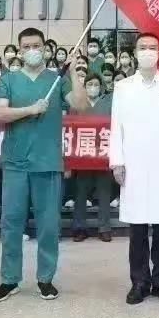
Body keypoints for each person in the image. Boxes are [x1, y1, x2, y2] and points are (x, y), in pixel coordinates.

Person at [0, 27, 88, 302]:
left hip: (47, 162)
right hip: (16, 162)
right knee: (11, 223)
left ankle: (45, 279)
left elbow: (80, 105)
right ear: (19, 51)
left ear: (45, 49)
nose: (32, 50)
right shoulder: (9, 80)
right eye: (26, 46)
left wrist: (73, 74)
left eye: (36, 46)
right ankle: (9, 279)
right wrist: (30, 110)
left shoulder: (56, 80)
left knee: (48, 225)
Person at [110, 32, 159, 304]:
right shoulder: (123, 87)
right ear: (135, 53)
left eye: (152, 47)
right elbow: (116, 127)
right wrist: (117, 161)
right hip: (133, 164)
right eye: (142, 47)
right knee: (138, 227)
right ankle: (139, 282)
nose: (147, 51)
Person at [68, 73, 114, 243]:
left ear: (101, 87)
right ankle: (79, 228)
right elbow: (70, 128)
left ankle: (104, 228)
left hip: (103, 154)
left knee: (104, 192)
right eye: (89, 84)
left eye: (96, 84)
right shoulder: (77, 104)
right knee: (80, 193)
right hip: (83, 155)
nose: (93, 87)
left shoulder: (109, 103)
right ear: (85, 86)